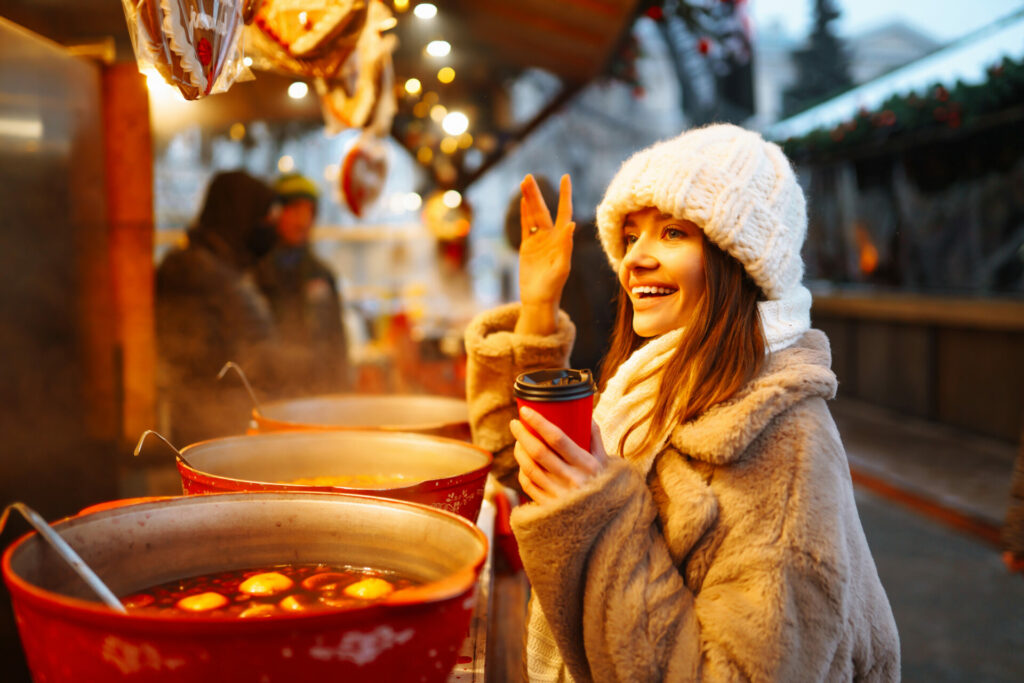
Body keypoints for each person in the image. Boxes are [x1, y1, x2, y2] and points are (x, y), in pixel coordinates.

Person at [465, 124, 900, 681]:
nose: (633, 260)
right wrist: (539, 306)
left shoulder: (783, 441)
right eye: (630, 236)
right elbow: (525, 468)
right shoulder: (652, 387)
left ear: (739, 259)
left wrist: (598, 510)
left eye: (672, 233)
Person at [156, 170, 280, 445]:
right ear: (238, 214)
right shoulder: (190, 271)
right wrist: (284, 363)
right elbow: (197, 360)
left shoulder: (228, 267)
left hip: (231, 427)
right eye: (263, 216)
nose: (270, 225)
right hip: (208, 433)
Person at [503, 175, 618, 382]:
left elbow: (583, 350)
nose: (530, 263)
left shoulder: (578, 266)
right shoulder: (597, 250)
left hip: (591, 391)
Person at [255, 172, 349, 396]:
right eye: (294, 210)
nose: (303, 221)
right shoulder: (255, 273)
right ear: (274, 215)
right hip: (269, 394)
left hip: (319, 393)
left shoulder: (322, 274)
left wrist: (342, 389)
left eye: (310, 212)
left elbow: (337, 340)